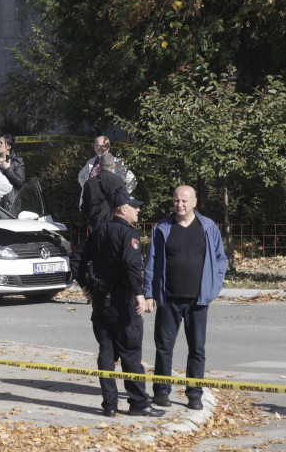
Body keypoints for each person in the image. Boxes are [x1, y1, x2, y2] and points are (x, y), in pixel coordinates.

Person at [72, 190, 165, 418]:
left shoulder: (99, 230)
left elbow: (76, 258)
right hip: (123, 303)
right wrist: (139, 294)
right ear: (123, 210)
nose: (138, 210)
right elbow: (131, 266)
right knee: (130, 354)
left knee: (106, 353)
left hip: (101, 301)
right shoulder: (128, 234)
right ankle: (138, 404)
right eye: (134, 206)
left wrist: (84, 285)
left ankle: (110, 405)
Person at [144, 185, 227, 411]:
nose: (179, 204)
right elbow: (151, 262)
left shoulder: (208, 227)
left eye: (184, 201)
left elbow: (221, 259)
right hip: (168, 298)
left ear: (194, 202)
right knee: (163, 348)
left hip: (197, 300)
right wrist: (149, 293)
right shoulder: (162, 227)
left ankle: (194, 394)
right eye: (176, 200)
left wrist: (214, 287)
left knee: (197, 349)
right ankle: (161, 392)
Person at [78, 136, 136, 208]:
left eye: (103, 146)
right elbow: (81, 175)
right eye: (98, 146)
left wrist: (121, 196)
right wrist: (86, 187)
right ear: (94, 148)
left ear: (108, 148)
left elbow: (132, 180)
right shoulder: (90, 162)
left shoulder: (118, 163)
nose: (101, 148)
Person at [80, 153, 126, 230]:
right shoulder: (118, 181)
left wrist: (92, 218)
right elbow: (124, 203)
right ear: (113, 166)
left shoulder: (89, 183)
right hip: (114, 224)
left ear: (99, 166)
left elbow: (84, 206)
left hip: (95, 224)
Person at [0, 134, 25, 211]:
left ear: (9, 146)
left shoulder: (17, 161)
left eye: (1, 143)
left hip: (11, 204)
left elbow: (20, 182)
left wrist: (8, 169)